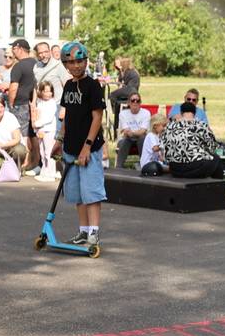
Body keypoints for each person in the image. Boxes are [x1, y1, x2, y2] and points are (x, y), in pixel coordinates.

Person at [52, 41, 106, 247]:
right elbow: (67, 117)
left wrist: (87, 146)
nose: (75, 65)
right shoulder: (68, 85)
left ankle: (94, 233)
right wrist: (59, 139)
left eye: (79, 61)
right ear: (66, 64)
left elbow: (97, 118)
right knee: (76, 192)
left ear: (86, 61)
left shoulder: (93, 86)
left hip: (89, 149)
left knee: (91, 191)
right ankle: (83, 231)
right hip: (70, 147)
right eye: (71, 62)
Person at [159, 102, 223, 178]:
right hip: (195, 168)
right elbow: (212, 147)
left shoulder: (169, 126)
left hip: (174, 169)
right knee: (216, 159)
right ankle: (218, 186)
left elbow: (163, 146)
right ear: (195, 112)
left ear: (181, 112)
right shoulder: (200, 125)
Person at [7, 39, 40, 174]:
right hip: (34, 102)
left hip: (20, 104)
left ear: (19, 48)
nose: (12, 51)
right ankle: (34, 161)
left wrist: (10, 103)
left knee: (22, 134)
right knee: (33, 134)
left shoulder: (18, 66)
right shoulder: (36, 64)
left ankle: (25, 163)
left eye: (13, 48)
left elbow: (13, 87)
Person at [31, 80, 59, 181]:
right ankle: (44, 171)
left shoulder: (52, 103)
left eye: (50, 91)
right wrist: (37, 129)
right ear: (41, 92)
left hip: (49, 131)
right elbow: (38, 116)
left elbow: (48, 118)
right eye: (45, 91)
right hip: (41, 130)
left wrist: (37, 124)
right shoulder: (41, 103)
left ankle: (50, 173)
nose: (48, 93)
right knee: (42, 152)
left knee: (49, 152)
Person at [0, 94, 26, 174]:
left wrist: (3, 145)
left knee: (20, 150)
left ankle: (15, 169)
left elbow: (17, 139)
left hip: (10, 147)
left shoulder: (11, 117)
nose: (0, 109)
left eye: (2, 107)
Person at [115, 92, 151, 167]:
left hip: (141, 138)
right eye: (133, 100)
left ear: (140, 102)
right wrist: (131, 133)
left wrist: (132, 133)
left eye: (137, 101)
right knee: (125, 140)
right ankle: (119, 167)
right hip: (127, 138)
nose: (135, 102)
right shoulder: (123, 114)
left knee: (142, 139)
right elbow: (126, 131)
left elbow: (143, 131)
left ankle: (143, 165)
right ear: (128, 102)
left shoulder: (146, 113)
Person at [108, 57, 140, 128]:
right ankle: (117, 107)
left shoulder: (128, 72)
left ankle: (115, 110)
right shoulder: (132, 71)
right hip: (132, 92)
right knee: (115, 97)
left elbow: (124, 84)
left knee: (111, 95)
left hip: (129, 91)